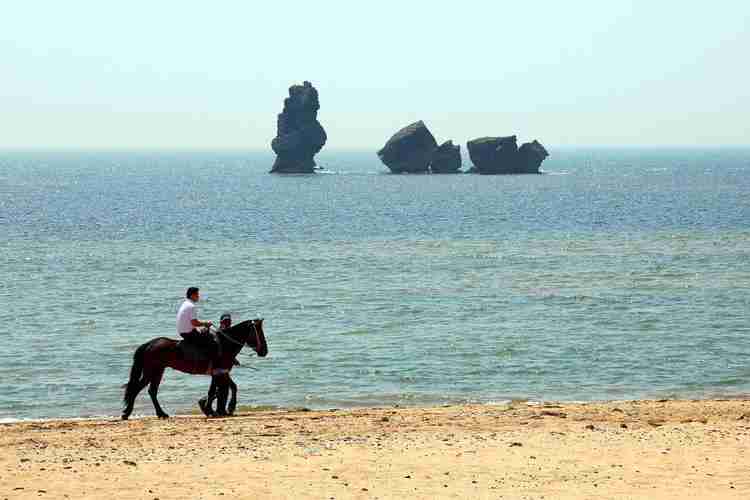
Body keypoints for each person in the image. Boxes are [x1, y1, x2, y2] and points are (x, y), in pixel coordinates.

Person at [176, 287, 218, 363]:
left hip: (182, 331)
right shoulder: (192, 306)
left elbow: (191, 323)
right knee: (211, 340)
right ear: (192, 295)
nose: (198, 297)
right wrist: (206, 323)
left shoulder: (185, 303)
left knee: (204, 333)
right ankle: (209, 363)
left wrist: (201, 326)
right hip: (188, 333)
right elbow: (194, 323)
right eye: (197, 295)